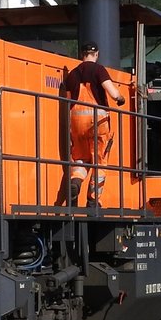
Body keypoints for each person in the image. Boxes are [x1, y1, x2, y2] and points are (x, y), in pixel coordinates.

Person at [62, 42, 126, 205]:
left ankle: (75, 181)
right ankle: (93, 199)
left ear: (81, 54)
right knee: (100, 162)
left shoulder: (73, 74)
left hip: (76, 122)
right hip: (98, 121)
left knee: (80, 158)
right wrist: (120, 98)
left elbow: (69, 99)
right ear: (96, 54)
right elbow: (112, 92)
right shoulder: (99, 70)